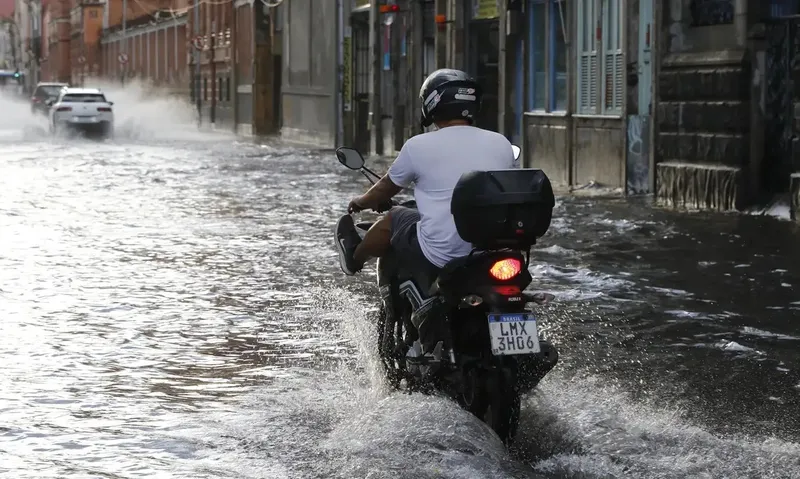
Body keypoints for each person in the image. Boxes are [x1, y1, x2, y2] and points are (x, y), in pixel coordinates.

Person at [334, 68, 518, 277]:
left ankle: (354, 259)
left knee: (395, 217)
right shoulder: (501, 143)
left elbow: (385, 188)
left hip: (440, 254)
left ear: (431, 104)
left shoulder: (418, 146)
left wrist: (359, 202)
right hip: (492, 250)